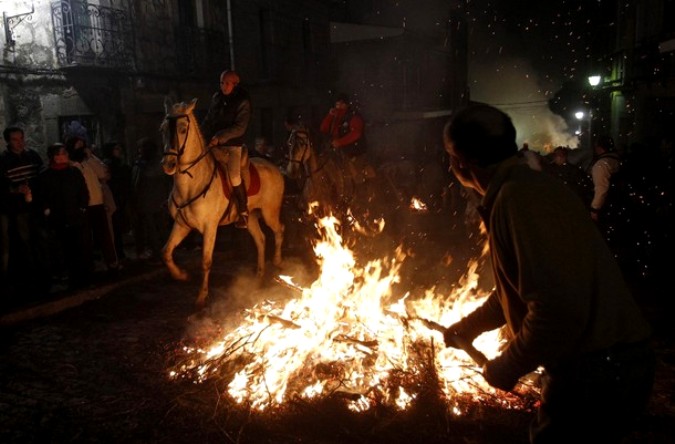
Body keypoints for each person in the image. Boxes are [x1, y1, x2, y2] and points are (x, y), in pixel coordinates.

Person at [441, 104, 654, 443]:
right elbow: (523, 287)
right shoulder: (530, 187)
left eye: (450, 157)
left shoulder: (516, 200)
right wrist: (470, 326)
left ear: (462, 161)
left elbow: (556, 311)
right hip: (613, 363)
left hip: (596, 371)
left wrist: (507, 366)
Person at [0, 126, 50, 301]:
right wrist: (15, 189)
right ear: (8, 141)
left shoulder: (32, 156)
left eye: (21, 138)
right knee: (25, 242)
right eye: (15, 139)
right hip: (18, 210)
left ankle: (45, 275)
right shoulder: (3, 160)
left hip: (35, 207)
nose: (20, 142)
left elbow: (41, 178)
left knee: (41, 239)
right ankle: (31, 278)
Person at [34, 143, 91, 289]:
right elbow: (41, 196)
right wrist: (46, 210)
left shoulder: (74, 172)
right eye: (58, 154)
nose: (61, 157)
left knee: (77, 247)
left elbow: (83, 191)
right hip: (57, 219)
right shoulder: (45, 175)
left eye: (63, 153)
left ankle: (80, 276)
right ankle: (64, 275)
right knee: (60, 248)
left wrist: (82, 207)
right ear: (52, 156)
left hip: (75, 216)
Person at [200, 70, 251, 228]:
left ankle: (243, 211)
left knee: (234, 176)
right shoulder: (217, 98)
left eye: (227, 83)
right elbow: (209, 119)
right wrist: (201, 134)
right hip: (214, 144)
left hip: (232, 146)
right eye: (221, 82)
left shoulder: (243, 101)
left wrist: (220, 137)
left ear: (235, 84)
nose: (223, 86)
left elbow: (240, 128)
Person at [66, 135, 120, 274]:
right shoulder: (70, 164)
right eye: (78, 145)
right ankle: (88, 266)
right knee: (85, 238)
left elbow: (103, 173)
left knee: (104, 234)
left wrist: (91, 157)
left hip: (97, 202)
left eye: (82, 145)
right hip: (83, 205)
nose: (81, 148)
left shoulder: (89, 161)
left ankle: (111, 262)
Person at [319, 93, 373, 192]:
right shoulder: (335, 117)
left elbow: (356, 133)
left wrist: (340, 142)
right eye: (337, 104)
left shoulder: (354, 116)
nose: (338, 106)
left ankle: (361, 195)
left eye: (341, 104)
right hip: (337, 152)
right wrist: (329, 116)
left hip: (354, 152)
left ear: (346, 104)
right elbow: (323, 129)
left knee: (354, 174)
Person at [130, 137, 172, 261]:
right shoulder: (144, 164)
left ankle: (160, 254)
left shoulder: (147, 165)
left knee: (155, 229)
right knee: (158, 228)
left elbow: (140, 183)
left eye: (141, 148)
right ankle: (164, 252)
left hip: (150, 202)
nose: (139, 151)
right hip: (154, 201)